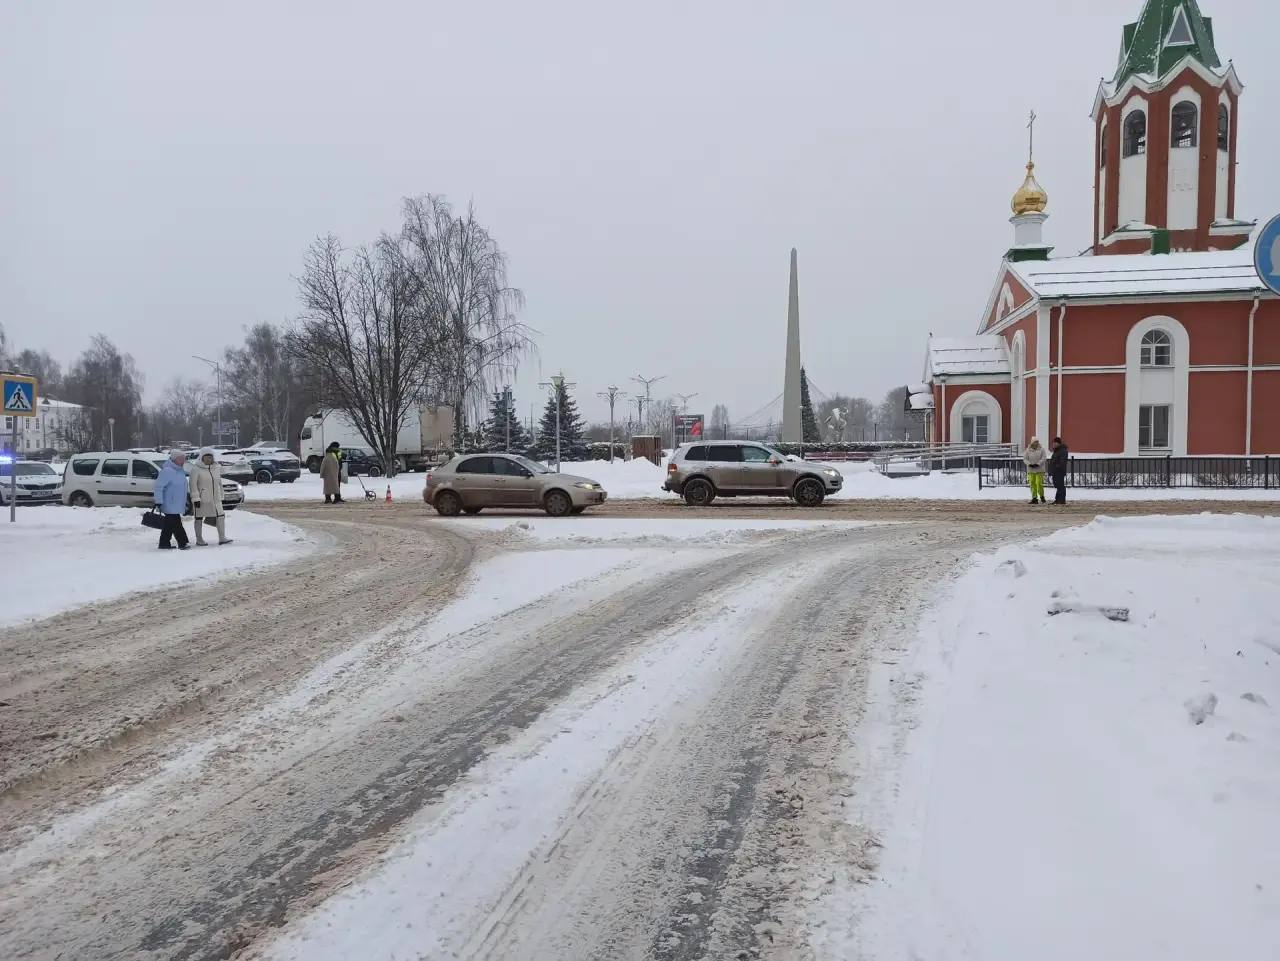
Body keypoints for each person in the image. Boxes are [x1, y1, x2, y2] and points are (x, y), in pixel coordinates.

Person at [190, 448, 233, 546]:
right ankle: (199, 539)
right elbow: (193, 485)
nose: (209, 459)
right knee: (199, 518)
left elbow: (219, 483)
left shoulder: (216, 468)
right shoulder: (196, 469)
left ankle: (222, 537)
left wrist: (222, 495)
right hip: (202, 499)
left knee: (221, 516)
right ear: (202, 457)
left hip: (216, 498)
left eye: (211, 457)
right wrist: (196, 498)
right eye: (207, 457)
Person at [153, 450, 191, 550]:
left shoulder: (179, 471)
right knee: (176, 524)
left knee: (169, 525)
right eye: (180, 459)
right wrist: (158, 501)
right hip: (169, 503)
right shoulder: (167, 471)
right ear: (174, 459)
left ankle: (164, 543)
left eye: (184, 459)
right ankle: (183, 543)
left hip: (176, 503)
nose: (183, 461)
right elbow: (158, 487)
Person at [1023, 437, 1047, 505]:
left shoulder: (1042, 449)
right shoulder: (1028, 450)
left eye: (1037, 442)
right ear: (1032, 443)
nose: (1036, 443)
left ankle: (1042, 496)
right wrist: (1029, 464)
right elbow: (1025, 459)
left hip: (1039, 469)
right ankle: (1034, 498)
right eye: (1035, 442)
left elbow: (1044, 458)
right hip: (1031, 470)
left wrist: (1038, 464)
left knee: (1039, 483)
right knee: (1032, 484)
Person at [1049, 436, 1069, 505]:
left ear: (1059, 443)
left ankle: (1062, 500)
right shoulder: (1056, 450)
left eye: (1055, 443)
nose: (1053, 444)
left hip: (1059, 471)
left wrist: (1057, 466)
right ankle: (1058, 500)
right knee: (1058, 486)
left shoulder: (1063, 450)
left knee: (1060, 486)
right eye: (1053, 443)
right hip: (1055, 471)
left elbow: (1062, 461)